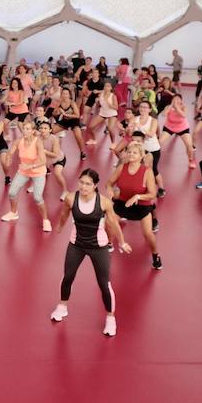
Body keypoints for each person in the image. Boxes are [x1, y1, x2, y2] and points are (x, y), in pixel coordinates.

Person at [51, 169, 130, 336]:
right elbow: (65, 213)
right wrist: (59, 227)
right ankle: (62, 306)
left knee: (103, 283)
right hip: (76, 244)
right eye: (81, 182)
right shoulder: (71, 198)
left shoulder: (104, 202)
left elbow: (114, 224)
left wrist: (122, 242)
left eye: (88, 184)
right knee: (68, 276)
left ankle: (110, 318)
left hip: (98, 246)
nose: (83, 186)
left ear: (95, 186)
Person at [110, 142, 161, 270]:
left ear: (141, 156)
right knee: (109, 223)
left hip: (141, 205)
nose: (131, 154)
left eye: (134, 153)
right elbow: (109, 184)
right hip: (122, 203)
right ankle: (108, 245)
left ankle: (156, 256)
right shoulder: (122, 167)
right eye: (129, 152)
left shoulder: (147, 171)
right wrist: (111, 195)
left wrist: (137, 196)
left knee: (148, 234)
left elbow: (152, 194)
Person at [2, 118, 51, 230]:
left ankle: (46, 220)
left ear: (33, 131)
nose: (25, 131)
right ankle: (13, 213)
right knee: (12, 193)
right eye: (24, 128)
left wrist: (30, 166)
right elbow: (11, 151)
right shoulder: (19, 141)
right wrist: (8, 158)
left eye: (28, 129)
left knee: (38, 197)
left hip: (38, 172)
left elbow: (43, 160)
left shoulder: (37, 142)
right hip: (23, 171)